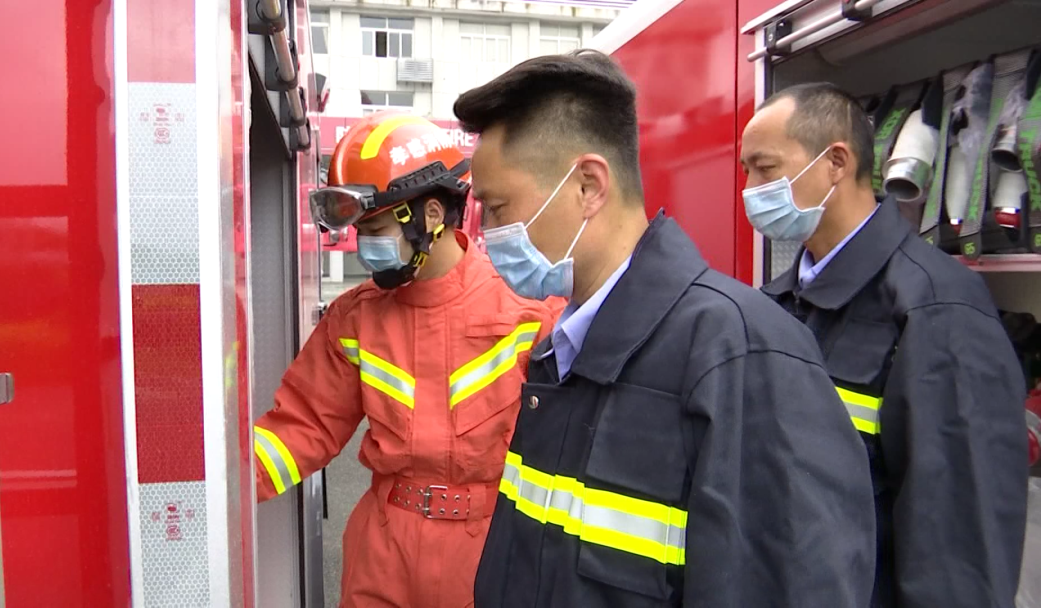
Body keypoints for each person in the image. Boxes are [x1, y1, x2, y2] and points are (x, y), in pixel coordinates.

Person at [454, 50, 876, 607]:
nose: (487, 234)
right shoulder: (564, 348)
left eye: (498, 207)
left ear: (588, 186)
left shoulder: (743, 354)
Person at [252, 112, 563, 608]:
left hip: (491, 547)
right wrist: (218, 489)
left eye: (375, 227)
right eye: (359, 229)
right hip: (383, 553)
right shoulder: (355, 318)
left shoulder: (529, 312)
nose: (363, 246)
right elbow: (302, 426)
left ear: (431, 215)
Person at [742, 82, 1028, 608]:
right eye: (747, 171)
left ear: (835, 163)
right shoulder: (775, 306)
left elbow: (961, 544)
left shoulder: (937, 307)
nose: (750, 190)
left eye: (765, 168)